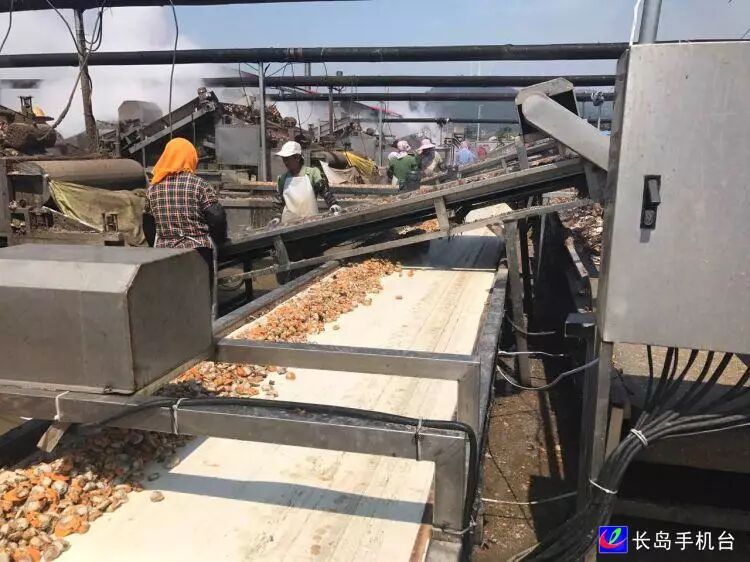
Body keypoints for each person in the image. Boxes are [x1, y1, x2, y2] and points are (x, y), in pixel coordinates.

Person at [146, 137, 226, 292]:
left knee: (174, 296)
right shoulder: (199, 185)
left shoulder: (153, 190)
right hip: (198, 253)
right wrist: (219, 241)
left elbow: (148, 225)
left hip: (165, 254)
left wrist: (159, 245)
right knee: (200, 295)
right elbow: (217, 218)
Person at [269, 141, 341, 226]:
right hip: (288, 225)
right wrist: (276, 217)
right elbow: (278, 202)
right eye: (284, 159)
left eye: (288, 159)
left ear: (297, 158)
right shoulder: (282, 179)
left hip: (310, 223)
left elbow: (325, 191)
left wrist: (333, 204)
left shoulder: (312, 174)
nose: (285, 162)